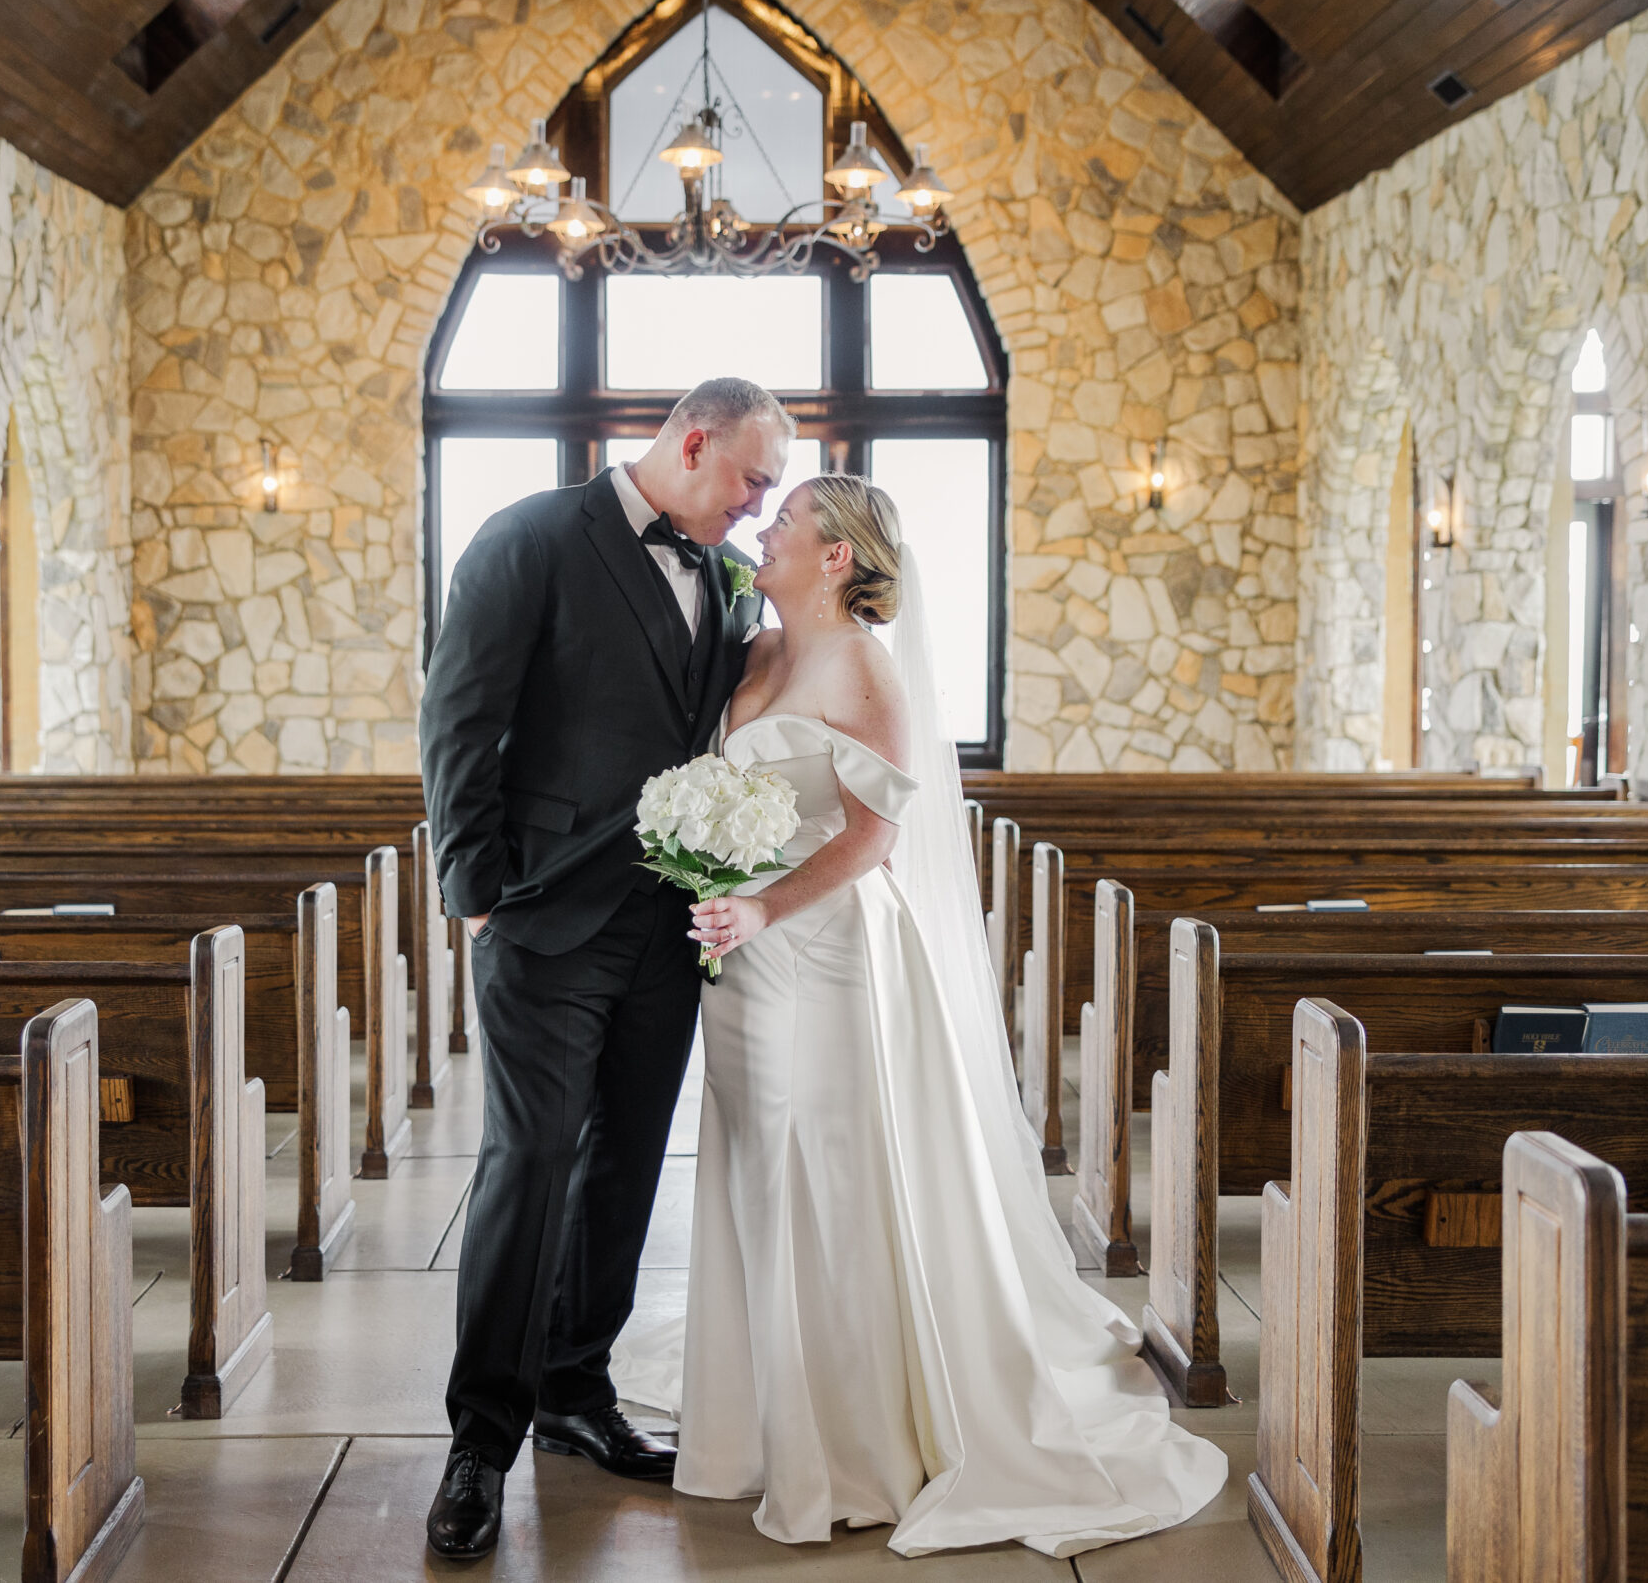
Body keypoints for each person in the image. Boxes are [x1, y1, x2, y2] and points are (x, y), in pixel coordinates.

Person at [612, 476, 1229, 1556]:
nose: (765, 528)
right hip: (744, 959)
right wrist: (707, 872)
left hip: (828, 945)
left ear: (839, 554)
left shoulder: (866, 671)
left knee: (828, 1169)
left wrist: (763, 902)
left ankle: (847, 1439)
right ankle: (759, 1412)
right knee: (758, 1163)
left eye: (786, 519)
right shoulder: (758, 654)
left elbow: (870, 839)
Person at [417, 376, 790, 1562]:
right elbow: (457, 720)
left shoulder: (728, 580)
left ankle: (578, 1391)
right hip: (542, 917)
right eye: (753, 479)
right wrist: (476, 896)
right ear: (693, 443)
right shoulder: (530, 538)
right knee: (528, 1159)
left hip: (670, 927)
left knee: (627, 1159)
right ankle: (481, 1437)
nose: (757, 506)